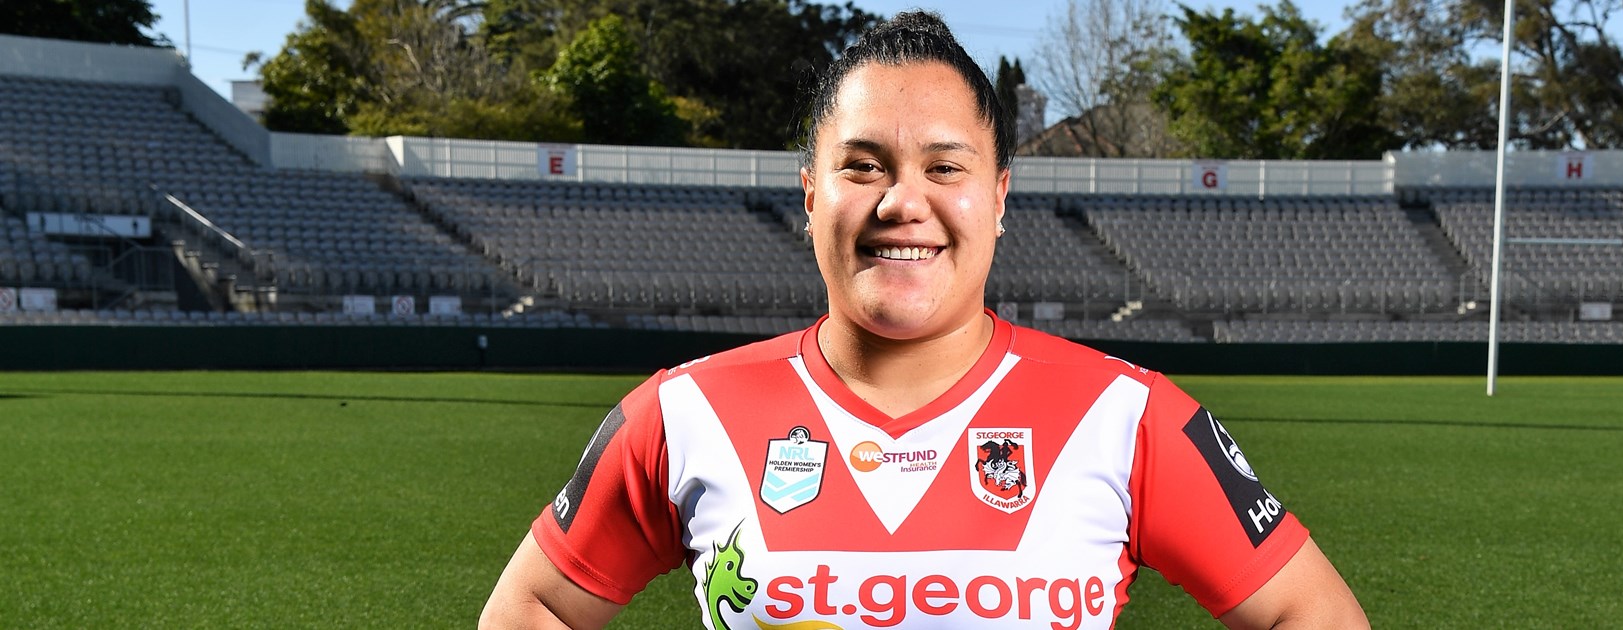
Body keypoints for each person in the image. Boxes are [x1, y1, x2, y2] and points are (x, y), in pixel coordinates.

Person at [481, 10, 1367, 630]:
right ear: (811, 193)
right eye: (863, 165)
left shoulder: (1129, 417)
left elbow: (1310, 613)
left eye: (945, 167)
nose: (903, 202)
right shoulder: (680, 414)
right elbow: (537, 605)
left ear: (999, 196)